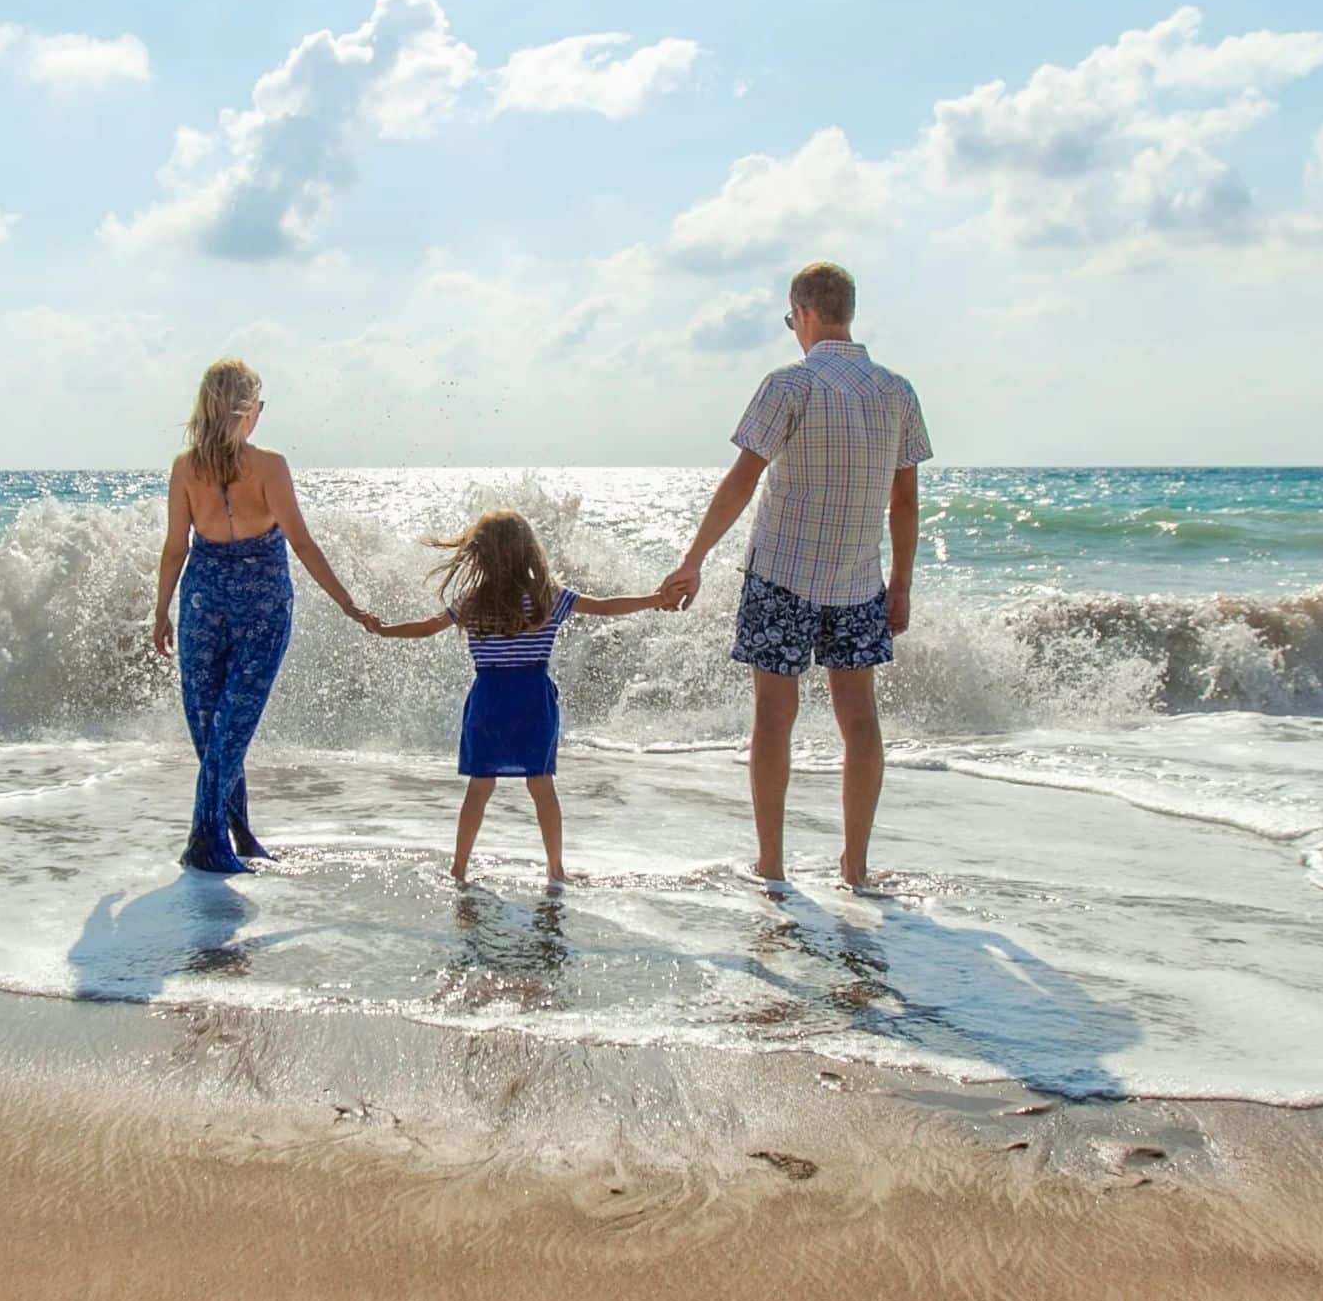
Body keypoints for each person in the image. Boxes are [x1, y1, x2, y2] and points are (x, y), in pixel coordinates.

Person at [662, 262, 931, 889]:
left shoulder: (790, 386)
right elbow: (907, 503)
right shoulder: (897, 391)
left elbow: (741, 481)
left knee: (774, 718)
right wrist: (903, 584)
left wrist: (694, 558)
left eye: (791, 320)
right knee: (860, 720)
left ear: (804, 313)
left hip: (781, 575)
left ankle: (772, 864)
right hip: (860, 582)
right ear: (849, 312)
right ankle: (855, 867)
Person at [373, 508, 681, 885]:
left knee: (480, 786)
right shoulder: (547, 596)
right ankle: (555, 869)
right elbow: (605, 606)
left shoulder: (473, 600)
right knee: (541, 784)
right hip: (533, 699)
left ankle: (459, 869)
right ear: (528, 551)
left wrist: (384, 630)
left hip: (488, 699)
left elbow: (424, 629)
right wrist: (654, 599)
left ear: (480, 554)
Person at [153, 358, 375, 872]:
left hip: (203, 601)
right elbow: (299, 541)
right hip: (262, 605)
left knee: (216, 727)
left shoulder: (187, 467)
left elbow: (174, 549)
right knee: (227, 727)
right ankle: (211, 838)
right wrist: (346, 601)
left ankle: (230, 835)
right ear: (248, 411)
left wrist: (162, 610)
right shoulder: (269, 466)